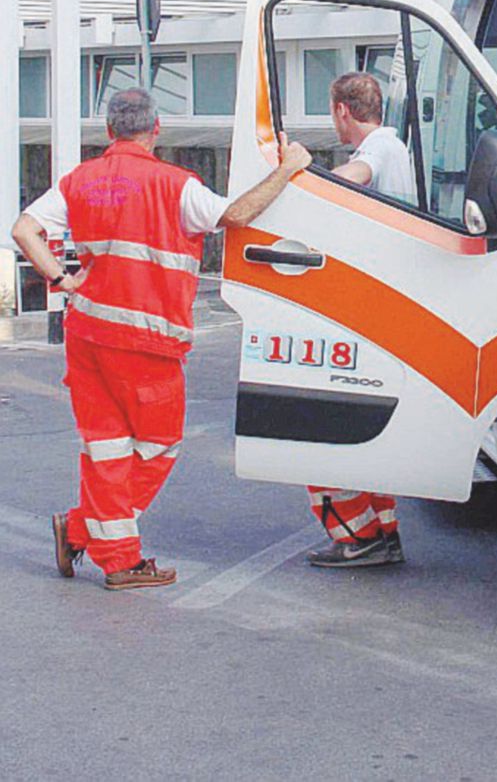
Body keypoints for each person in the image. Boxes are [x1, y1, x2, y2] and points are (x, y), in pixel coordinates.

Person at [11, 88, 312, 590]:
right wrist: (288, 169)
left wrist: (62, 281)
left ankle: (101, 542)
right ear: (156, 131)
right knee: (157, 447)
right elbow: (237, 216)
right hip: (146, 340)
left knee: (105, 448)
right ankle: (103, 545)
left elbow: (24, 231)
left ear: (109, 132)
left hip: (87, 333)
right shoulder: (176, 186)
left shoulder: (78, 181)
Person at [303, 72, 413, 569]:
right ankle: (380, 530)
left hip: (373, 308)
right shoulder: (397, 147)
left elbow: (356, 178)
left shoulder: (381, 149)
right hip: (389, 307)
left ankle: (358, 534)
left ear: (343, 111)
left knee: (327, 423)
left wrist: (300, 175)